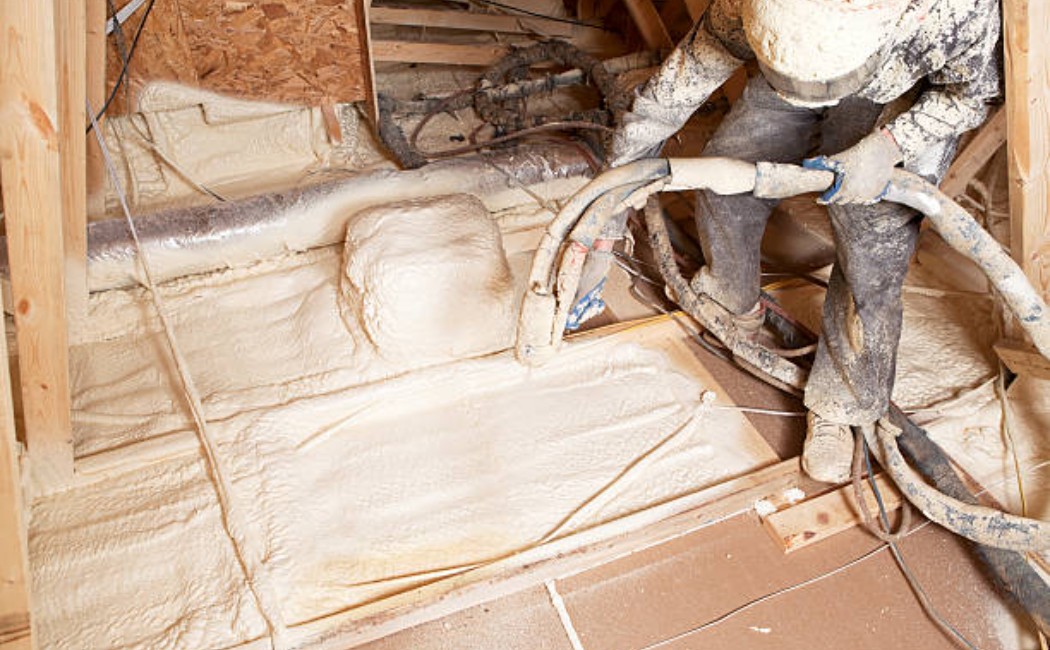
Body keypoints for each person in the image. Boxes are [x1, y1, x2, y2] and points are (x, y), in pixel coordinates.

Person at [601, 0, 1002, 482]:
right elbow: (665, 100)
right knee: (727, 170)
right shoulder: (744, 10)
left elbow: (967, 96)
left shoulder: (949, 14)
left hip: (910, 93)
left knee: (873, 238)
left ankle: (843, 404)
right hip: (795, 62)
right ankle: (732, 293)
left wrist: (888, 145)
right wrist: (610, 200)